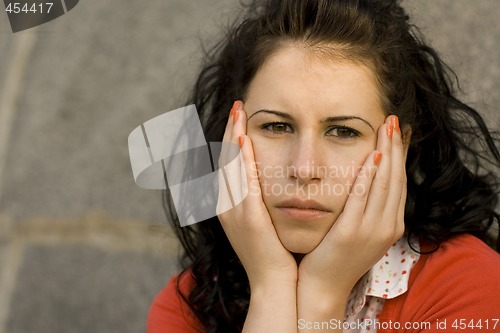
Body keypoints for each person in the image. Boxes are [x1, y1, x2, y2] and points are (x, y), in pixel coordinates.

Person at [147, 0, 500, 332]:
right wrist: (271, 286)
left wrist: (321, 296)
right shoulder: (186, 305)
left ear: (399, 145)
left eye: (343, 131)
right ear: (230, 139)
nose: (303, 168)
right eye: (276, 126)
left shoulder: (471, 288)